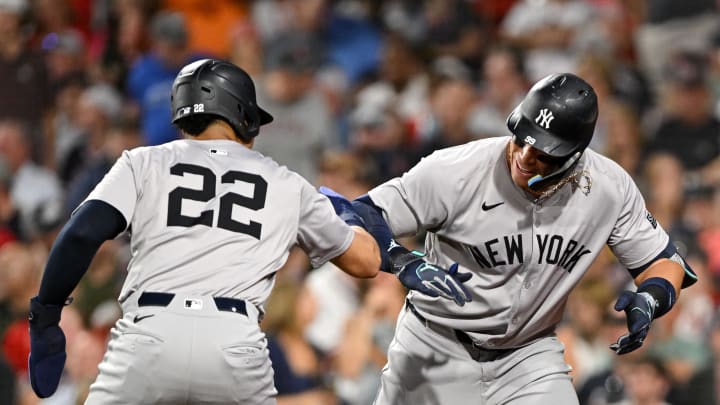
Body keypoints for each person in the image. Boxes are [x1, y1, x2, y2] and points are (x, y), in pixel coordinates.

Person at [322, 73, 697, 404]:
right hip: (435, 346)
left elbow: (662, 262)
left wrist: (652, 297)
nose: (525, 155)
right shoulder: (456, 170)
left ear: (575, 154)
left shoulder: (609, 187)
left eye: (543, 151)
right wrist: (399, 259)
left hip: (529, 358)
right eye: (522, 138)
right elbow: (360, 211)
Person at [26, 58, 382, 404]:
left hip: (149, 335)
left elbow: (80, 234)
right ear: (244, 116)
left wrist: (46, 314)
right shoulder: (287, 183)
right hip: (234, 344)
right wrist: (347, 215)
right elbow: (365, 263)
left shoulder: (143, 161)